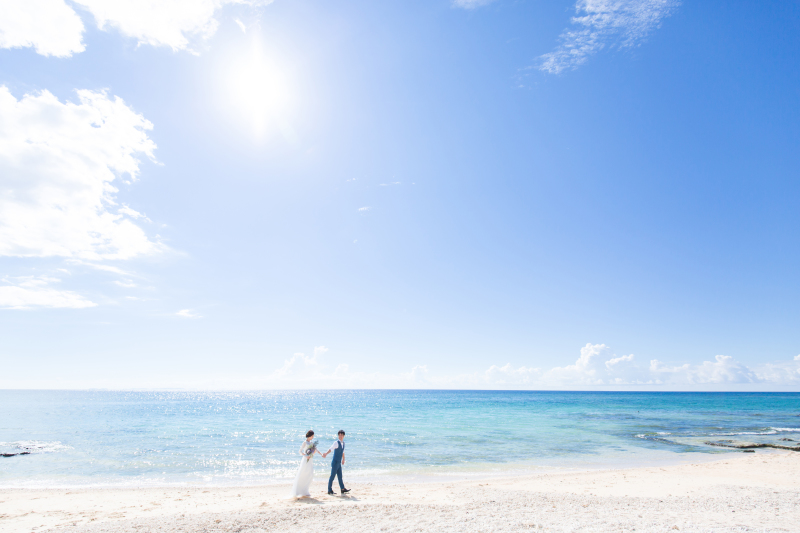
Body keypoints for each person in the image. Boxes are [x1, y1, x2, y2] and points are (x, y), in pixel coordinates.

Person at [290, 430, 322, 498]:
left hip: (310, 460)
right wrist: (305, 456)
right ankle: (298, 491)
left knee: (310, 474)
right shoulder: (305, 442)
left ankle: (305, 490)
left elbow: (316, 449)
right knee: (303, 474)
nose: (313, 437)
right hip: (305, 460)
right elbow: (300, 451)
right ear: (310, 436)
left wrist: (321, 454)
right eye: (312, 436)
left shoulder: (311, 443)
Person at [322, 430, 350, 495]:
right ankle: (329, 490)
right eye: (339, 435)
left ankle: (342, 489)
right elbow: (331, 449)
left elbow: (343, 452)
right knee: (332, 476)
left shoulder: (343, 443)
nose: (340, 436)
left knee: (340, 476)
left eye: (341, 435)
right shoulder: (336, 443)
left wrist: (343, 459)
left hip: (339, 462)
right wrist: (326, 453)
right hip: (335, 462)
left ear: (343, 436)